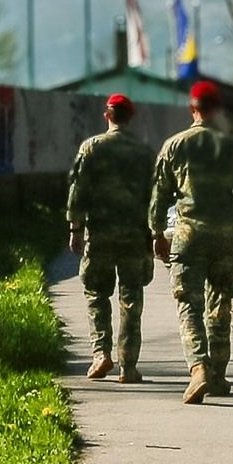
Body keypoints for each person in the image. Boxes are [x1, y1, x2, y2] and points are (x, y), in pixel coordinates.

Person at [150, 80, 233, 403]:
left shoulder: (175, 145)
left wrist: (157, 233)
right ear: (218, 110)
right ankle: (217, 376)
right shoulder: (232, 149)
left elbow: (159, 196)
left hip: (188, 237)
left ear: (193, 108)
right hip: (226, 238)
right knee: (220, 306)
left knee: (189, 304)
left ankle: (198, 368)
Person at [66, 93, 158, 381]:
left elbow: (78, 190)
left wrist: (75, 229)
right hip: (134, 235)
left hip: (100, 234)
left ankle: (100, 354)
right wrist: (155, 234)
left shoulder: (91, 148)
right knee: (131, 297)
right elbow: (155, 196)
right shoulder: (144, 153)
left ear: (107, 115)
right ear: (130, 118)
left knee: (96, 293)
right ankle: (128, 365)